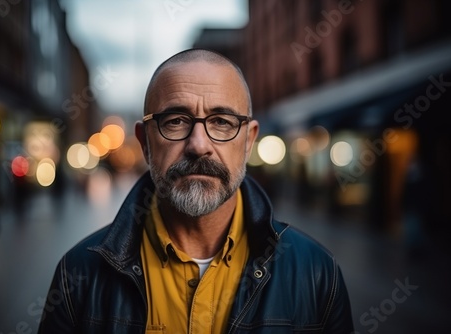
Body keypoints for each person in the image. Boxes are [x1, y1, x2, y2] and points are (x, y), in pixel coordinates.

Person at [38, 48, 354, 333]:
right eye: (175, 121)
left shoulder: (317, 274)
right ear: (145, 142)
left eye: (222, 121)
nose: (199, 145)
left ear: (248, 141)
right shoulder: (78, 274)